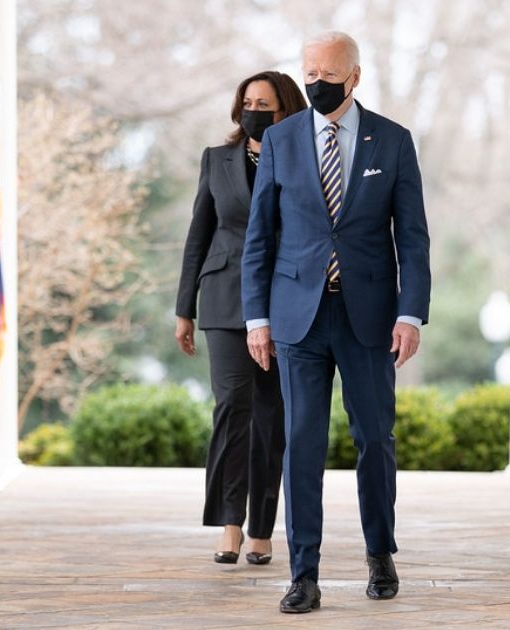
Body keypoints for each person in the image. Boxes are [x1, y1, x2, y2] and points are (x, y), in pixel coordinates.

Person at [241, 31, 431, 613]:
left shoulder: (392, 142)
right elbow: (260, 237)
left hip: (369, 317)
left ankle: (380, 552)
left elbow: (414, 238)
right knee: (301, 444)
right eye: (307, 71)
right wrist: (257, 318)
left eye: (325, 72)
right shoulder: (280, 139)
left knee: (374, 438)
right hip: (298, 317)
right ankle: (304, 573)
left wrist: (410, 313)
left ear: (353, 77)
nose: (313, 81)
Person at [175, 71, 308, 566]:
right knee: (234, 406)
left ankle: (262, 528)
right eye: (247, 101)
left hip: (286, 298)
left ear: (285, 111)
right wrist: (183, 308)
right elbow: (198, 235)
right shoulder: (217, 159)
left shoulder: (302, 154)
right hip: (224, 298)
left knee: (272, 415)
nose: (253, 110)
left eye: (265, 104)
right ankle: (229, 523)